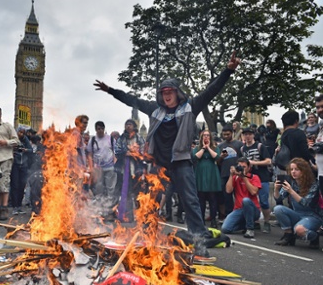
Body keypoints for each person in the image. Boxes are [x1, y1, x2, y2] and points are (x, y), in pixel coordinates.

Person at [94, 51, 241, 237]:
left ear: (177, 93)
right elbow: (131, 100)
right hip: (158, 164)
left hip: (181, 163)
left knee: (190, 200)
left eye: (170, 92)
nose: (166, 96)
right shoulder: (154, 109)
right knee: (150, 200)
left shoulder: (190, 107)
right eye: (163, 93)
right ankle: (147, 233)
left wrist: (228, 71)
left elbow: (211, 91)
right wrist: (110, 91)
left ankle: (199, 238)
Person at [273, 158, 322, 248]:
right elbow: (279, 198)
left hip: (312, 216)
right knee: (278, 209)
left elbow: (305, 203)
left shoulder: (313, 184)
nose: (293, 172)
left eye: (296, 169)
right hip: (297, 213)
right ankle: (288, 235)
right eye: (291, 169)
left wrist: (291, 191)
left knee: (299, 229)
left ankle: (314, 236)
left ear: (304, 171)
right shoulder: (291, 183)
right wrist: (276, 189)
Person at [0, 106, 20, 221]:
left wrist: (6, 142)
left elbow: (17, 141)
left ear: (0, 115)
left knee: (4, 182)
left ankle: (4, 208)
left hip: (6, 158)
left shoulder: (7, 126)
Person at [240, 127, 272, 233]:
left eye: (249, 134)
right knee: (251, 200)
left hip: (262, 177)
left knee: (264, 202)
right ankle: (256, 221)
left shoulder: (260, 146)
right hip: (250, 178)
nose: (247, 136)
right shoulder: (242, 149)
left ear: (253, 135)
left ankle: (267, 222)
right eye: (245, 134)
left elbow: (268, 161)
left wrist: (254, 163)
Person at [221, 157, 262, 238]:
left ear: (249, 168)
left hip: (253, 209)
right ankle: (246, 225)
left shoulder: (254, 177)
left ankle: (250, 229)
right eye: (239, 166)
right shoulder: (235, 177)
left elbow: (253, 192)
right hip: (239, 209)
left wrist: (244, 177)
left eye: (244, 167)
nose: (241, 169)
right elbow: (228, 190)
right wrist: (231, 175)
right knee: (225, 228)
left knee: (246, 201)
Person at [114, 119, 145, 223]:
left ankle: (141, 215)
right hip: (123, 170)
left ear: (134, 126)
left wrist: (135, 153)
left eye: (130, 124)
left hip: (136, 170)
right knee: (125, 193)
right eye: (126, 124)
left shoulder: (139, 138)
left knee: (137, 193)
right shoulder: (121, 138)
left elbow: (144, 151)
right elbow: (117, 150)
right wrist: (126, 153)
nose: (128, 126)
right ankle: (127, 215)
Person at [192, 130, 222, 228]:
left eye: (207, 135)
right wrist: (203, 148)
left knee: (212, 198)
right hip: (200, 173)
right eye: (204, 135)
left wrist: (208, 147)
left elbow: (216, 157)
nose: (206, 137)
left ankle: (213, 219)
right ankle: (201, 220)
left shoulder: (215, 148)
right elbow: (195, 157)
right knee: (201, 199)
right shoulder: (197, 148)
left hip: (212, 173)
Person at [217, 124, 243, 217]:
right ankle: (229, 214)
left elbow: (243, 159)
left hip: (237, 174)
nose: (226, 136)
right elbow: (218, 162)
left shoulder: (239, 144)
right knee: (226, 195)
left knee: (238, 195)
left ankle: (239, 214)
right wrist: (221, 157)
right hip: (224, 173)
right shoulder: (221, 146)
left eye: (228, 134)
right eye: (224, 135)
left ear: (232, 133)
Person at [86, 121, 117, 198]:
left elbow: (115, 153)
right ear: (96, 130)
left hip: (110, 167)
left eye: (102, 128)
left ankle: (110, 203)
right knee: (98, 188)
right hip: (98, 168)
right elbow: (89, 155)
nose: (100, 130)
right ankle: (99, 204)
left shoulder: (111, 139)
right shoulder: (92, 140)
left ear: (104, 129)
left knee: (110, 188)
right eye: (98, 129)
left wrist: (115, 164)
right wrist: (91, 167)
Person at [10, 126, 33, 215]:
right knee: (15, 185)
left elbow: (31, 150)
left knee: (22, 185)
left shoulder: (25, 139)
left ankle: (19, 206)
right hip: (15, 164)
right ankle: (14, 206)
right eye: (20, 132)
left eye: (23, 133)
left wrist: (25, 150)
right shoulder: (13, 139)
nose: (21, 134)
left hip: (24, 165)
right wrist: (14, 150)